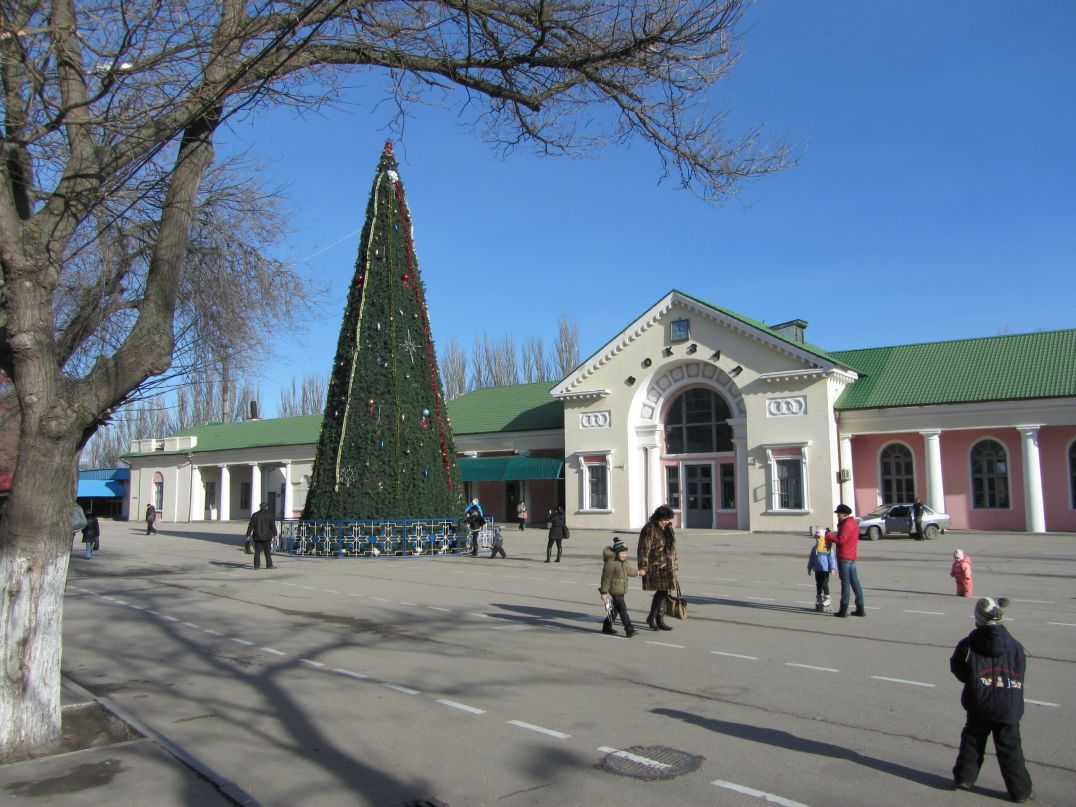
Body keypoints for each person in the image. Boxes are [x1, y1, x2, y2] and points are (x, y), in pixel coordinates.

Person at [950, 597, 1033, 803]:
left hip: (980, 702)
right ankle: (1020, 791)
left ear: (978, 619)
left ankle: (965, 777)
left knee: (973, 739)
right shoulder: (1015, 646)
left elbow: (958, 670)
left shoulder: (968, 645)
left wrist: (978, 681)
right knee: (1011, 748)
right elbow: (1020, 672)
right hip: (1009, 704)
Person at [637, 504, 677, 631]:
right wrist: (643, 566)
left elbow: (672, 548)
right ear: (658, 517)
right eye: (664, 519)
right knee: (661, 592)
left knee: (664, 592)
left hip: (667, 566)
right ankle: (653, 617)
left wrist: (674, 564)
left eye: (668, 519)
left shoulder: (668, 528)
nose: (666, 522)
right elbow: (644, 549)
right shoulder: (650, 528)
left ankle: (659, 618)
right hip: (655, 566)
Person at [825, 504, 865, 618]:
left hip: (844, 556)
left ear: (844, 514)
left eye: (838, 514)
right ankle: (860, 607)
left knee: (845, 583)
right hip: (851, 556)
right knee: (855, 582)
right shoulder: (853, 523)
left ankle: (843, 609)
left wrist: (829, 535)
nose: (837, 516)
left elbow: (841, 540)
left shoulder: (847, 524)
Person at [599, 537, 641, 637]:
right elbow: (605, 579)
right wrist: (604, 593)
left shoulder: (624, 562)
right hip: (615, 591)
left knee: (615, 610)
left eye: (625, 553)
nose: (624, 555)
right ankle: (629, 629)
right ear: (617, 553)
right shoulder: (610, 564)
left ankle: (606, 626)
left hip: (621, 590)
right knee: (623, 610)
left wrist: (639, 573)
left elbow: (629, 571)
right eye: (622, 553)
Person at [807, 527, 837, 612]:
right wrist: (809, 568)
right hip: (817, 569)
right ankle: (819, 597)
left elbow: (831, 558)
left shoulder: (827, 547)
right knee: (818, 584)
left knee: (824, 583)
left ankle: (827, 598)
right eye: (816, 537)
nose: (817, 539)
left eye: (819, 537)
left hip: (825, 569)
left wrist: (832, 568)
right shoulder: (814, 548)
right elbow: (811, 559)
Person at [245, 502, 277, 569]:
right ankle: (269, 565)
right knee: (267, 552)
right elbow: (273, 526)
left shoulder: (255, 515)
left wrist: (248, 534)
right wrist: (275, 534)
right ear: (266, 507)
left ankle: (256, 566)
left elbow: (250, 526)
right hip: (267, 537)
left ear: (260, 507)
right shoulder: (270, 515)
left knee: (257, 552)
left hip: (257, 536)